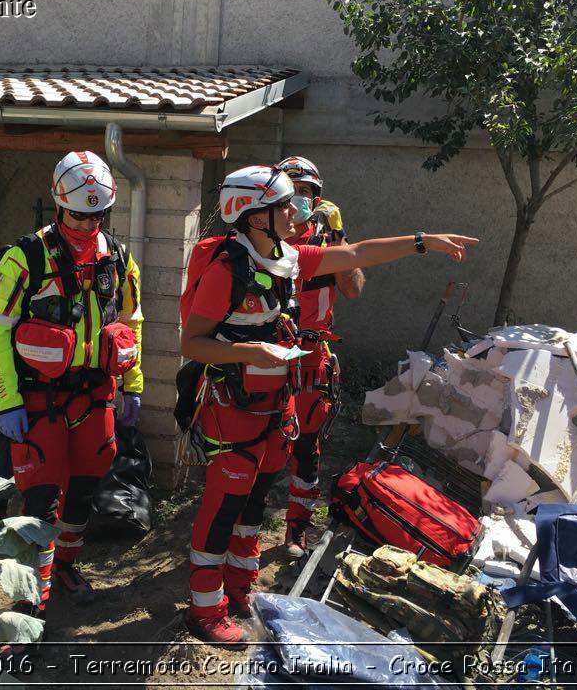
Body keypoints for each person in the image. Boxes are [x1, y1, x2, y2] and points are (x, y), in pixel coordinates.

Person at [180, 164, 477, 646]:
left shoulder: (286, 257)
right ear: (255, 217)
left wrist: (423, 240)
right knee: (221, 507)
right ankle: (203, 607)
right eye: (283, 204)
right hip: (233, 407)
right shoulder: (227, 270)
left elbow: (356, 254)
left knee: (255, 500)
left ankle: (238, 586)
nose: (296, 210)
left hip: (277, 405)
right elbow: (193, 342)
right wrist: (246, 352)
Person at [0, 150, 144, 613]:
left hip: (95, 395)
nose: (88, 224)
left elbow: (131, 322)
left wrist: (133, 383)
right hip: (39, 398)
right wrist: (6, 401)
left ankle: (66, 565)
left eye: (98, 215)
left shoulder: (120, 259)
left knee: (87, 486)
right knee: (43, 497)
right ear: (58, 203)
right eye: (79, 214)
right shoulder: (25, 257)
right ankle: (30, 602)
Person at [276, 156, 363, 558]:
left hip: (312, 356)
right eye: (290, 192)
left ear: (318, 199)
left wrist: (341, 235)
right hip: (270, 353)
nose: (297, 201)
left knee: (307, 446)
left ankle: (297, 525)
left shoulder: (328, 245)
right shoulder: (265, 238)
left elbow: (354, 289)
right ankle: (242, 525)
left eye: (305, 193)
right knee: (260, 443)